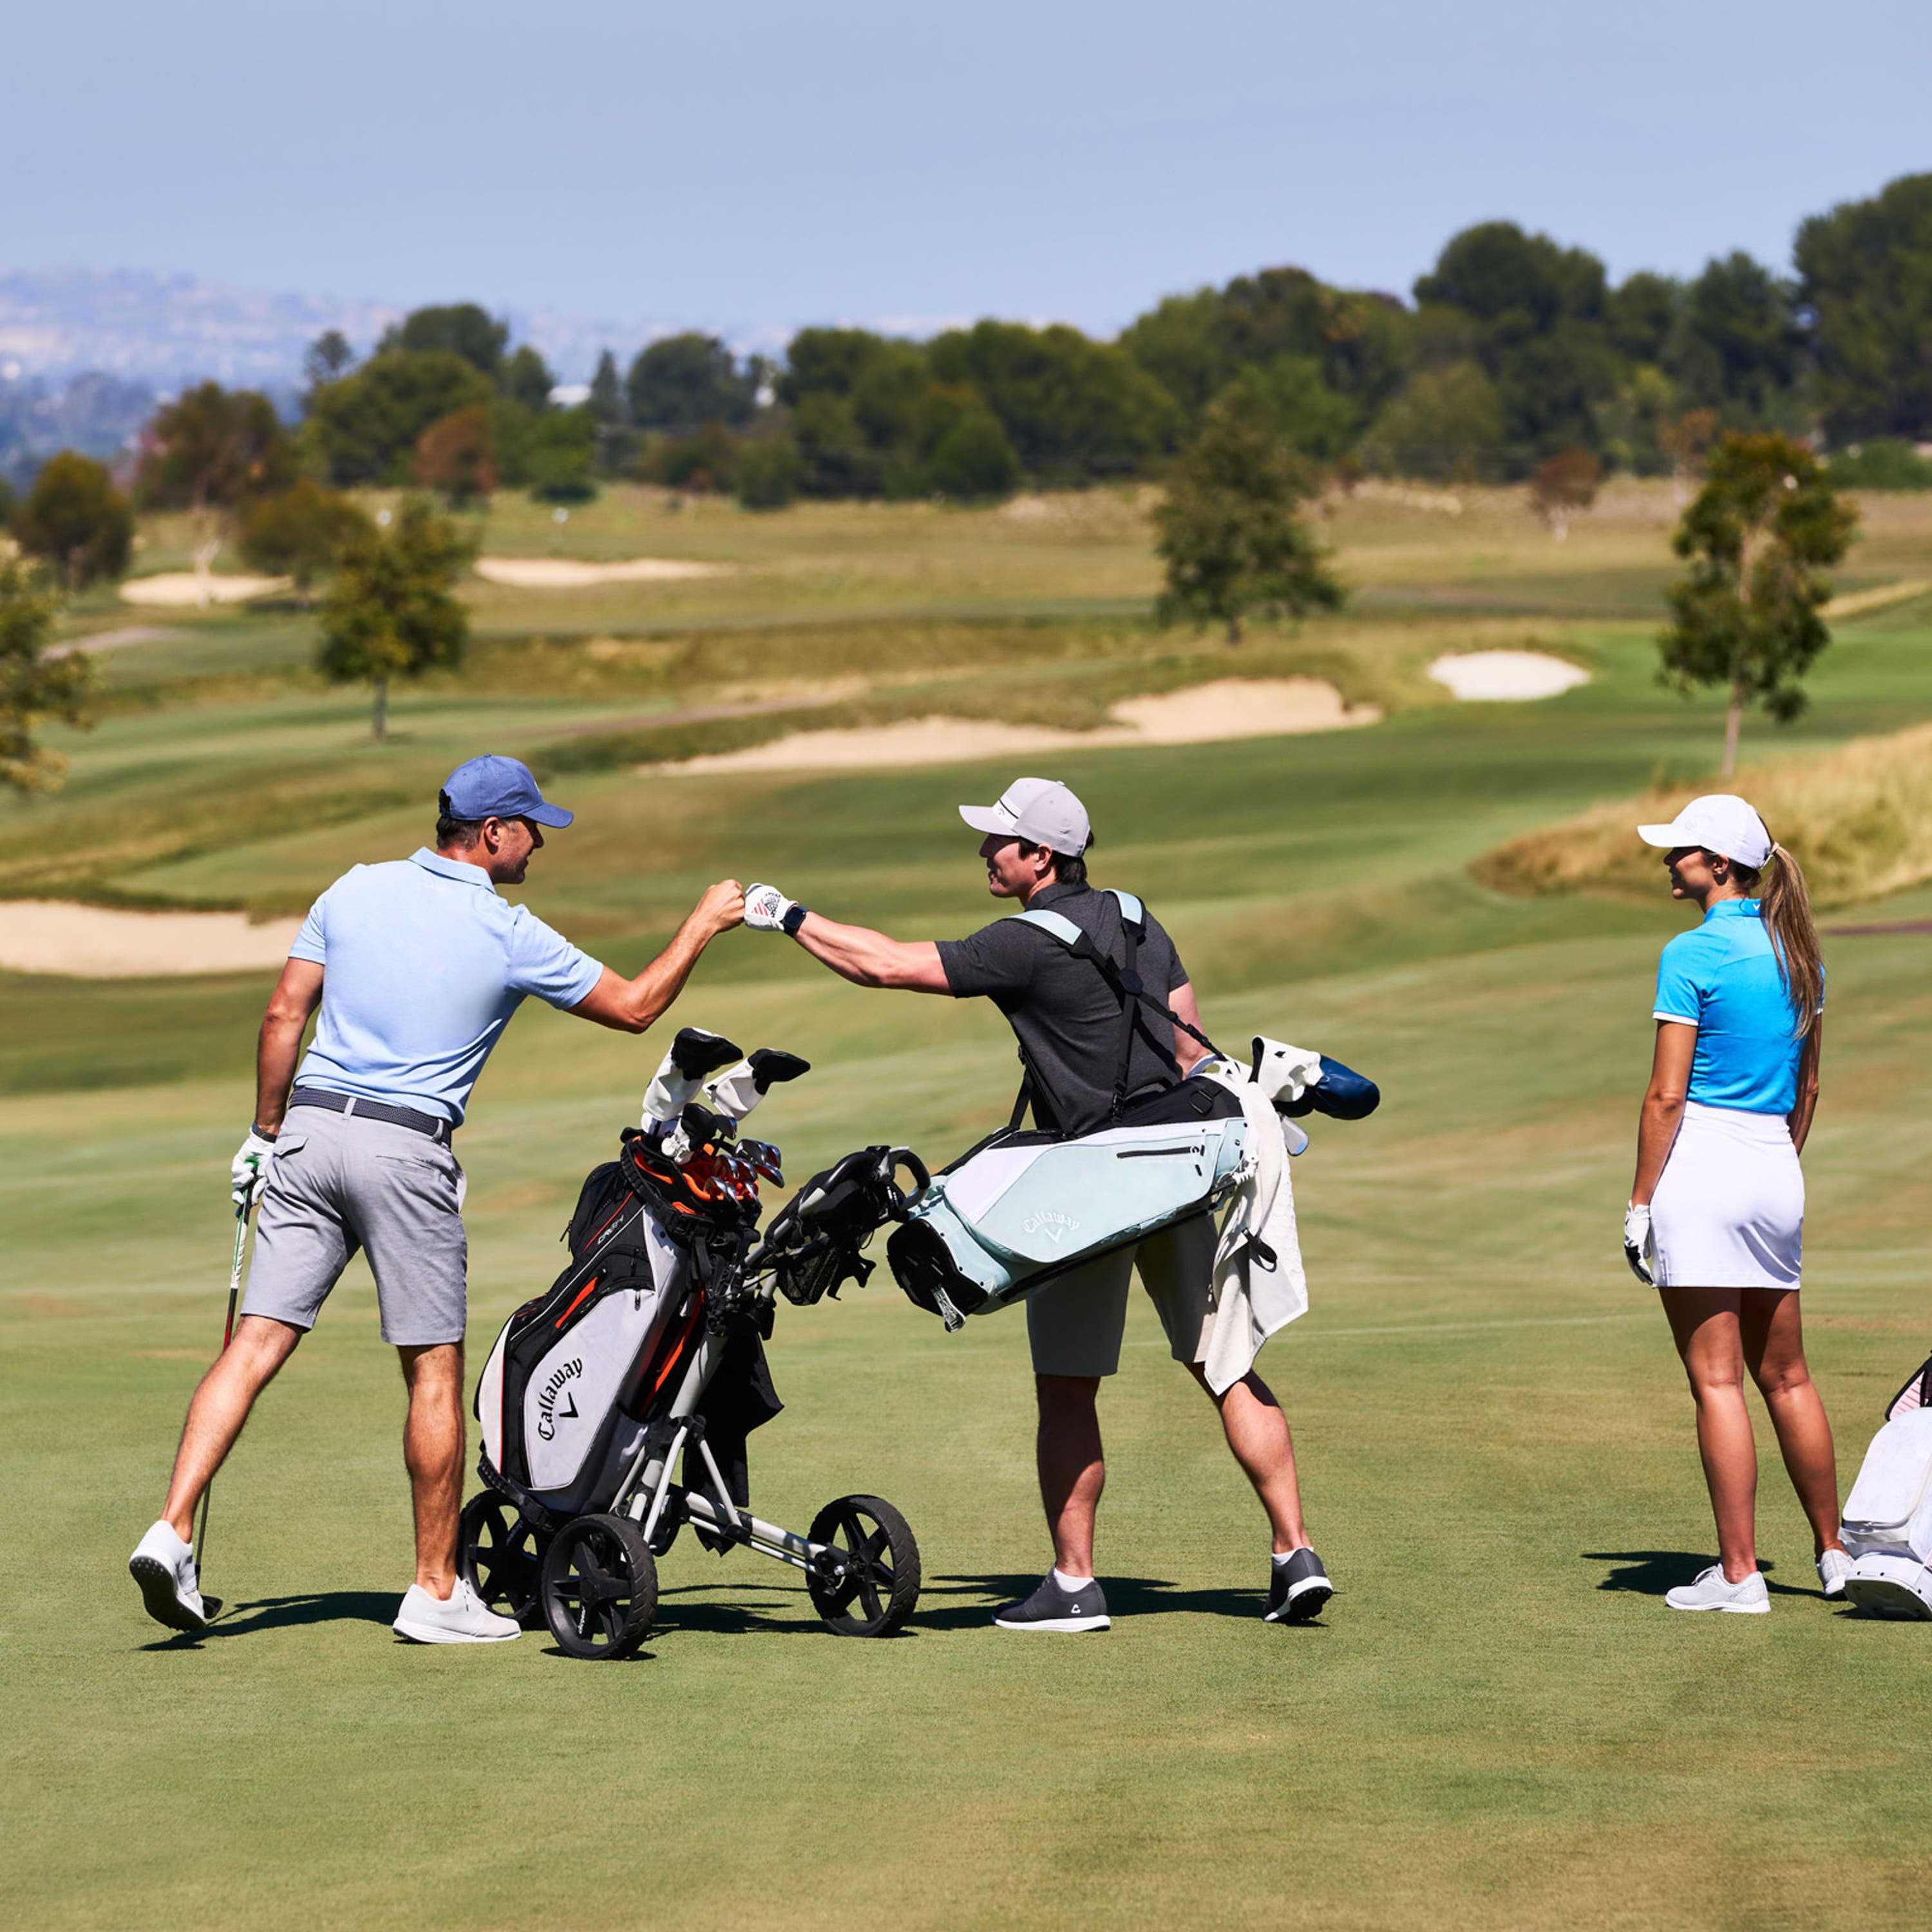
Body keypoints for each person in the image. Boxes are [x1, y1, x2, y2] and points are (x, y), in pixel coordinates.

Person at [128, 755, 744, 1643]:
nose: (539, 844)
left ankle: (173, 1526)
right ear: (491, 833)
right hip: (404, 1148)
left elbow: (281, 1018)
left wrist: (263, 1137)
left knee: (256, 1341)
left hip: (308, 1129)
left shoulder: (354, 887)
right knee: (432, 1368)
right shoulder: (507, 931)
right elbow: (640, 1007)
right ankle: (434, 1590)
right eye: (531, 828)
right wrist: (703, 923)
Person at [739, 776, 1331, 1632]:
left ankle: (1075, 1585)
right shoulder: (1134, 915)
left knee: (1067, 1392)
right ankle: (1294, 1554)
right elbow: (1186, 1036)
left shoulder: (1021, 942)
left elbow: (885, 966)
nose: (985, 851)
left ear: (1040, 855)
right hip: (1178, 1173)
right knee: (1225, 1369)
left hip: (1088, 1194)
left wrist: (785, 914)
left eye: (999, 841)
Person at [1622, 793, 1849, 1614]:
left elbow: (1665, 1098)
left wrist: (1641, 1203)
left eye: (1681, 852)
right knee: (1786, 1374)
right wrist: (1776, 1167)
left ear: (1719, 866)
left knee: (1718, 1381)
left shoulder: (1690, 954)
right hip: (1773, 1166)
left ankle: (1742, 1574)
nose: (1668, 864)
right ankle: (1835, 1555)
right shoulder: (1802, 955)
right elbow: (1810, 1085)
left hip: (1705, 1167)